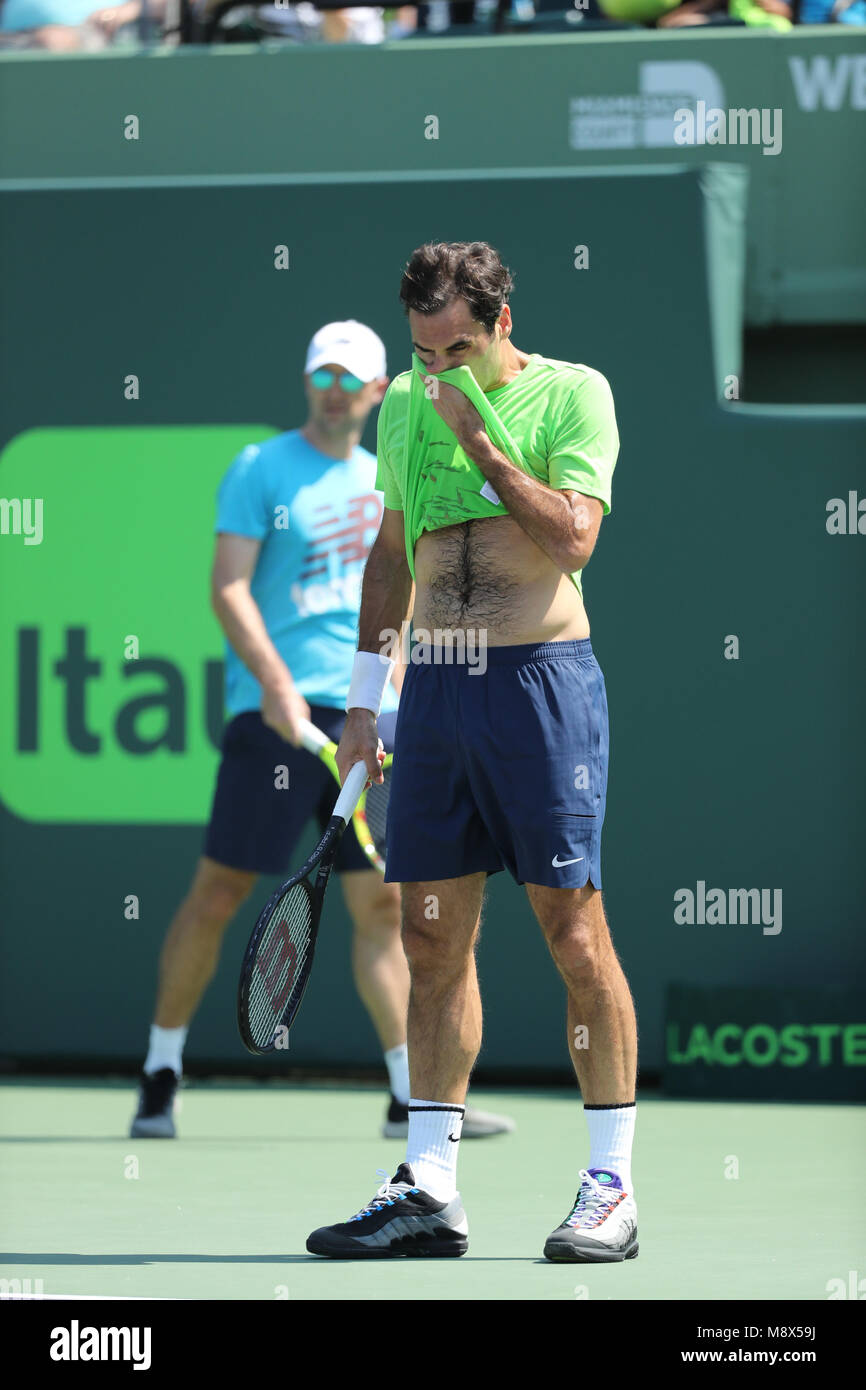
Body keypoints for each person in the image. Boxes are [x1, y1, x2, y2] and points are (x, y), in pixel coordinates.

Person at [306, 243, 636, 1263]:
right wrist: (366, 702)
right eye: (419, 352)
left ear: (497, 323)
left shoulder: (572, 395)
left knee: (571, 935)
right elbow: (390, 553)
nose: (434, 371)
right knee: (429, 935)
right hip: (436, 694)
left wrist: (485, 447)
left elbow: (574, 539)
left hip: (540, 685)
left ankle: (609, 1185)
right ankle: (429, 1186)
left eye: (453, 349)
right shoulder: (406, 400)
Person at [130, 319, 514, 1144]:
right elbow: (228, 588)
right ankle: (161, 1070)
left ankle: (410, 1094)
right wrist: (272, 684)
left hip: (363, 716)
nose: (335, 389)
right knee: (220, 892)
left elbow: (401, 598)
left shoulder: (393, 475)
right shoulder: (259, 469)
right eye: (323, 375)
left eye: (352, 378)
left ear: (379, 392)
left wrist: (396, 688)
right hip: (275, 719)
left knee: (381, 909)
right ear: (311, 382)